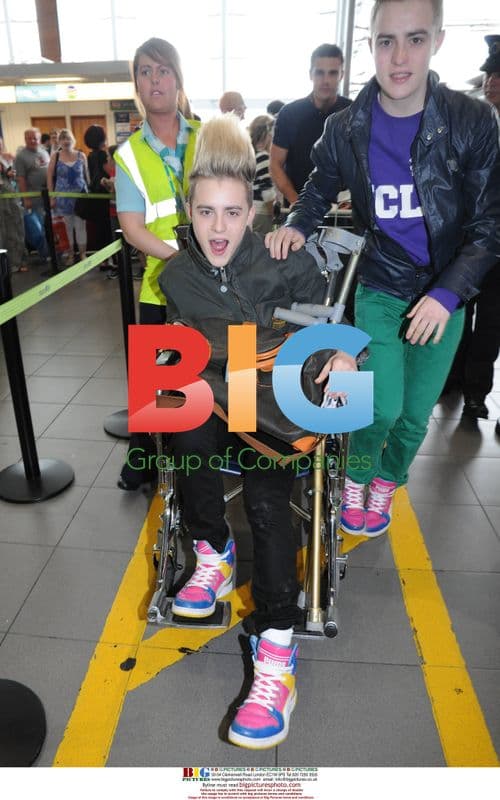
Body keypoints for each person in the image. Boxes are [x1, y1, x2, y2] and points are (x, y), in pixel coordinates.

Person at [157, 114, 356, 749]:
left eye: (233, 212)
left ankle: (275, 647)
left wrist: (346, 355)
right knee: (177, 414)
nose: (219, 228)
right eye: (206, 212)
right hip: (221, 403)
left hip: (273, 407)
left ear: (253, 210)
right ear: (188, 209)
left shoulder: (285, 257)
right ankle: (212, 554)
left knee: (271, 503)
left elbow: (332, 331)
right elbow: (178, 357)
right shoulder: (173, 279)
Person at [266, 0, 500, 538]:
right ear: (368, 44)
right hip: (382, 283)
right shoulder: (346, 127)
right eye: (386, 41)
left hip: (445, 294)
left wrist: (449, 294)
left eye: (415, 40)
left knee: (417, 413)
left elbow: (490, 223)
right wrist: (298, 224)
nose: (399, 57)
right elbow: (320, 185)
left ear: (437, 40)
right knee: (379, 407)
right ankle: (358, 474)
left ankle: (387, 482)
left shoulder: (472, 121)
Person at [114, 37, 201, 490]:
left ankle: (206, 452)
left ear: (178, 78)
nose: (155, 80)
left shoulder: (206, 138)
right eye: (145, 72)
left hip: (215, 281)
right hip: (161, 283)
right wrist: (183, 259)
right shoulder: (128, 155)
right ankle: (142, 454)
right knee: (151, 381)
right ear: (137, 84)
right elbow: (133, 229)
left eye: (162, 70)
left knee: (216, 371)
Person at [441, 34, 500, 420]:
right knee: (456, 312)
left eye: (498, 75)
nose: (492, 81)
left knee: (491, 322)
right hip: (464, 239)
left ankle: (476, 393)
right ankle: (451, 380)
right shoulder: (472, 121)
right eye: (490, 74)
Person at [270, 43, 351, 209]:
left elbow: (366, 164)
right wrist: (299, 204)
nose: (326, 80)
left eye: (333, 73)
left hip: (344, 214)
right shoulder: (290, 113)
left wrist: (352, 200)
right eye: (320, 73)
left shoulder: (355, 113)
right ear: (310, 74)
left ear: (341, 75)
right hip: (296, 209)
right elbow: (275, 164)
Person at [47, 128, 89, 265]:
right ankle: (71, 254)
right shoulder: (55, 156)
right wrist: (51, 197)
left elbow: (86, 177)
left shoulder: (81, 156)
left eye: (68, 138)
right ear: (59, 141)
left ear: (73, 140)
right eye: (63, 138)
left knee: (81, 226)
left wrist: (89, 194)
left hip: (80, 198)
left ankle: (82, 254)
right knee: (67, 228)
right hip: (63, 199)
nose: (66, 141)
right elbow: (49, 177)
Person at [14, 128, 50, 263]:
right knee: (37, 230)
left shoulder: (44, 152)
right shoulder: (21, 157)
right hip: (33, 200)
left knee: (48, 229)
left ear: (39, 139)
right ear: (25, 139)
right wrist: (26, 198)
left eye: (35, 138)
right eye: (29, 138)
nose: (32, 140)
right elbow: (21, 179)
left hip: (47, 198)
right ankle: (44, 254)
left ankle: (50, 253)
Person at [83, 125, 114, 272]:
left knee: (99, 230)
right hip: (105, 194)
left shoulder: (90, 155)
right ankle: (110, 260)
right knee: (107, 229)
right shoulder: (102, 155)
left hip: (94, 194)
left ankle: (103, 261)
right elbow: (108, 171)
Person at [0, 137, 27, 272]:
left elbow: (12, 177)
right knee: (7, 231)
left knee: (17, 229)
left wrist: (10, 173)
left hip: (12, 199)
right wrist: (5, 173)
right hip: (3, 203)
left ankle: (20, 260)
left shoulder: (6, 158)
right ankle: (12, 264)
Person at [248, 114, 276, 234]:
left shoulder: (249, 155)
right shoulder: (263, 157)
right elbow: (267, 192)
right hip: (261, 213)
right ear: (267, 135)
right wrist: (273, 214)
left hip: (250, 209)